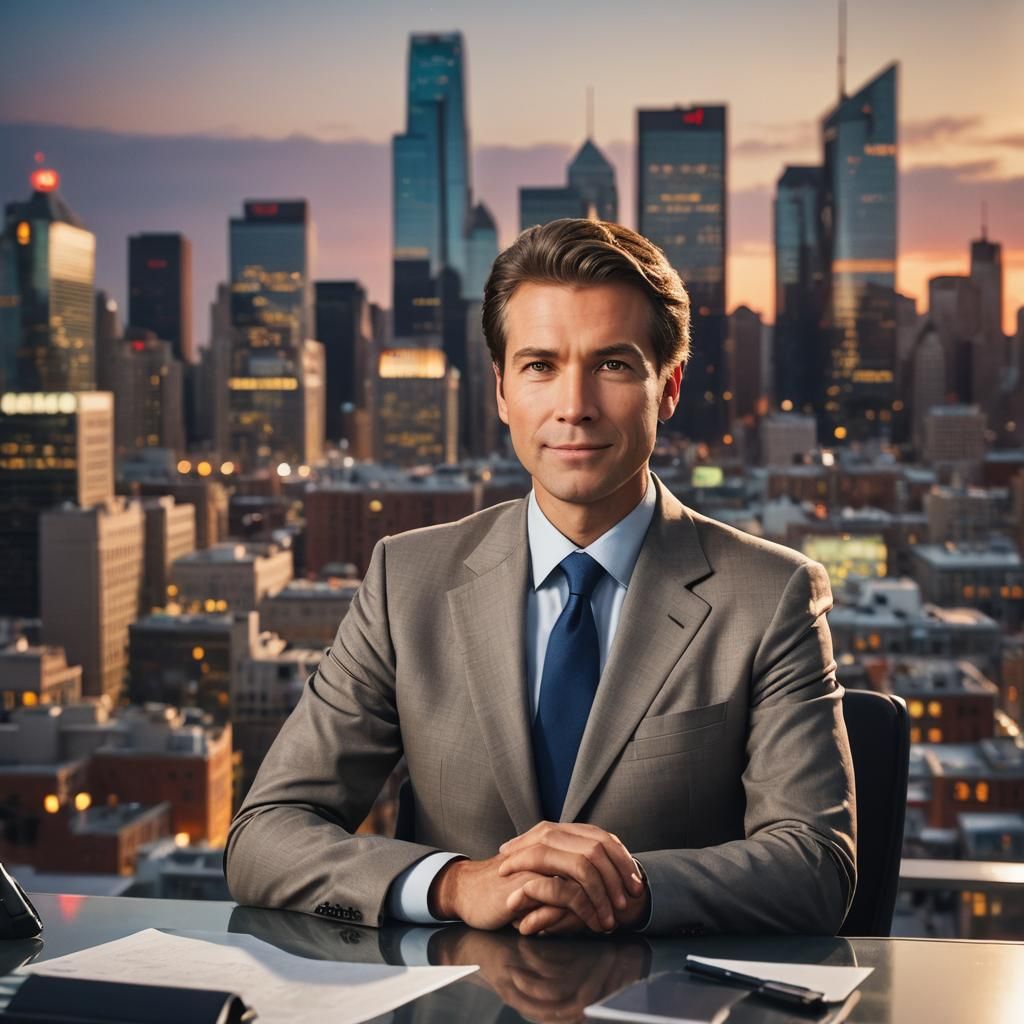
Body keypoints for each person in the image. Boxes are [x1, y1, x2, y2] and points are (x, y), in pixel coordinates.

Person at [225, 218, 856, 937]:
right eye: (540, 366)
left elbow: (814, 866)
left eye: (613, 365)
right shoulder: (408, 581)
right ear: (499, 390)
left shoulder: (770, 597)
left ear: (670, 386)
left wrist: (630, 888)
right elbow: (264, 835)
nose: (574, 406)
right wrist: (454, 885)